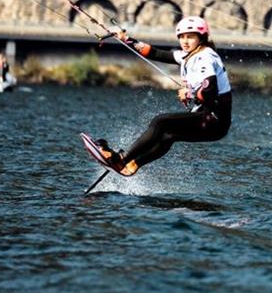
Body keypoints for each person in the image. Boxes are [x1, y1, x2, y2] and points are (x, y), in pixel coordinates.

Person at [94, 16, 232, 176]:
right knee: (168, 135)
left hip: (213, 121)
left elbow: (210, 91)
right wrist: (126, 39)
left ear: (201, 38)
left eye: (190, 37)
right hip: (213, 123)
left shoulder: (204, 57)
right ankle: (133, 164)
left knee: (161, 122)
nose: (185, 41)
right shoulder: (190, 55)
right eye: (182, 37)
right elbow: (156, 53)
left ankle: (121, 159)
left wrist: (190, 92)